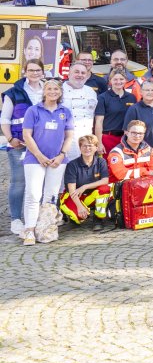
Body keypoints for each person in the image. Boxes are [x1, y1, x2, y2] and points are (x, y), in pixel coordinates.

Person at [19, 80, 74, 245]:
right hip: (35, 159)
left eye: (56, 89)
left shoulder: (65, 112)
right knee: (33, 194)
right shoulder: (33, 110)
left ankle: (44, 229)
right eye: (49, 88)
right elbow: (27, 135)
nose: (52, 91)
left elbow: (69, 136)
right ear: (44, 91)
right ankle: (29, 230)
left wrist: (61, 155)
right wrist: (39, 156)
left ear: (60, 92)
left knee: (50, 196)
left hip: (58, 160)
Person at [1, 59, 44, 236]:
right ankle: (16, 220)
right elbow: (5, 119)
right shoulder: (14, 92)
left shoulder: (49, 89)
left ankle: (36, 217)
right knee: (19, 182)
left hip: (42, 144)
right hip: (19, 144)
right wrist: (10, 138)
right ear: (25, 72)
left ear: (42, 72)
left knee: (39, 183)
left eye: (37, 70)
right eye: (31, 70)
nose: (34, 73)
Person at [58, 135, 111, 231]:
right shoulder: (72, 165)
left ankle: (98, 219)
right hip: (75, 196)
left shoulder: (101, 161)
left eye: (90, 146)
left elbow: (105, 181)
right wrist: (79, 207)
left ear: (96, 148)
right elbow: (72, 190)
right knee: (79, 217)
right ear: (80, 148)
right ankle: (69, 214)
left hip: (92, 195)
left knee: (105, 189)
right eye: (84, 146)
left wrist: (85, 186)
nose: (87, 149)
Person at [59, 62, 98, 161]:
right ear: (69, 74)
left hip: (86, 138)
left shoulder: (91, 92)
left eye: (83, 73)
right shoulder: (59, 90)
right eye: (76, 72)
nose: (80, 75)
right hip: (64, 139)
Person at [95, 69, 137, 154]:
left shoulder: (132, 97)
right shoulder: (102, 98)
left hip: (127, 138)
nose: (118, 82)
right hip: (108, 138)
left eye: (121, 79)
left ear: (125, 80)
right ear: (110, 81)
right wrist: (99, 142)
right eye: (115, 79)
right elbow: (99, 121)